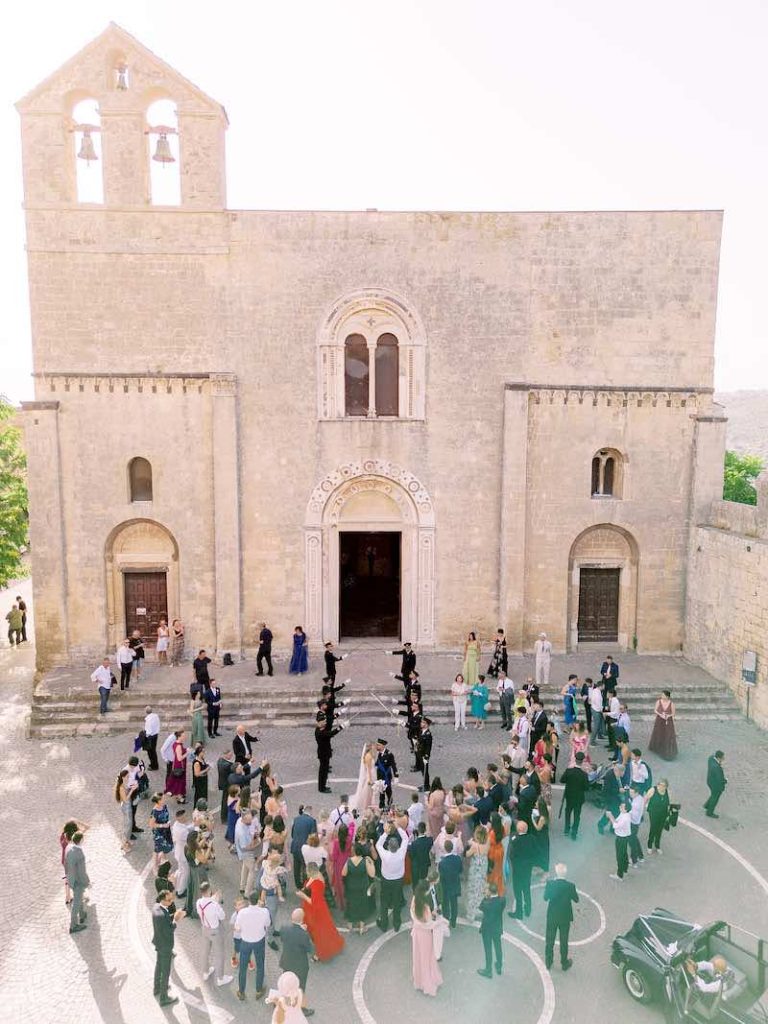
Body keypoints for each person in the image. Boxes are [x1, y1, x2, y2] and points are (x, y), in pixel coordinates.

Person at [297, 862, 344, 960]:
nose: (306, 872)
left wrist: (303, 895)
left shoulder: (317, 883)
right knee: (319, 929)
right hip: (312, 908)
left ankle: (320, 953)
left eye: (307, 871)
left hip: (316, 910)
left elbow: (313, 902)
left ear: (311, 871)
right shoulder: (316, 875)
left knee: (319, 931)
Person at [234, 891, 272, 1001]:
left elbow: (238, 927)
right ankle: (259, 989)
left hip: (245, 942)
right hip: (259, 941)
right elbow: (268, 924)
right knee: (260, 965)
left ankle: (241, 991)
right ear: (259, 899)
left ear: (249, 901)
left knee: (243, 967)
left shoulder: (242, 913)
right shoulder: (264, 911)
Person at [410, 880, 443, 997]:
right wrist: (439, 922)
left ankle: (419, 981)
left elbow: (415, 918)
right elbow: (428, 923)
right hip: (425, 935)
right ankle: (428, 983)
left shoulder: (414, 900)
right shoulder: (425, 907)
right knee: (427, 958)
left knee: (418, 957)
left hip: (417, 933)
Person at [197, 882, 233, 987]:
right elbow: (222, 916)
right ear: (209, 891)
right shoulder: (214, 905)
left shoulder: (198, 902)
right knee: (219, 954)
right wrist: (216, 902)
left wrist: (213, 899)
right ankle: (220, 978)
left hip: (204, 929)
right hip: (215, 931)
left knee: (205, 951)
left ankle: (205, 972)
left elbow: (207, 903)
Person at [543, 863, 578, 971]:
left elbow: (545, 898)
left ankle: (548, 961)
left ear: (557, 873)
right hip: (564, 917)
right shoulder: (570, 886)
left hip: (552, 916)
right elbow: (576, 899)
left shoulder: (550, 884)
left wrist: (550, 884)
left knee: (550, 940)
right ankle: (564, 962)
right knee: (564, 941)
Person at [279, 910, 315, 1016]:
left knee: (286, 983)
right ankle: (302, 1008)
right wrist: (304, 932)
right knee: (300, 987)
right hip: (300, 966)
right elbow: (310, 949)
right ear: (302, 919)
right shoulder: (303, 934)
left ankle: (282, 1002)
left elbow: (283, 939)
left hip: (286, 961)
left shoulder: (284, 928)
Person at [152, 889, 184, 1006]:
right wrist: (176, 919)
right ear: (163, 900)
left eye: (171, 899)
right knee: (166, 971)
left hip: (159, 942)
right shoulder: (161, 915)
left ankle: (157, 987)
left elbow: (165, 919)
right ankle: (164, 998)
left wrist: (173, 915)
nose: (171, 901)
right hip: (165, 945)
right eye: (169, 900)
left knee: (158, 965)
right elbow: (169, 930)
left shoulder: (156, 907)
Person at [376, 824, 409, 932]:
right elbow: (405, 838)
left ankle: (384, 924)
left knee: (384, 901)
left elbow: (378, 845)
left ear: (389, 846)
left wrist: (386, 832)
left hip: (386, 879)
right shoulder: (401, 853)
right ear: (398, 846)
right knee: (396, 901)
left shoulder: (385, 854)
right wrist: (398, 827)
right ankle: (397, 923)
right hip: (398, 879)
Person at [343, 841, 376, 934]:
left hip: (351, 886)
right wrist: (372, 863)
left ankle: (350, 925)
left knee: (351, 904)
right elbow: (372, 874)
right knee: (362, 905)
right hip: (362, 887)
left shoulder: (348, 861)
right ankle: (362, 927)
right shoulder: (365, 861)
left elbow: (343, 873)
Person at [477, 881, 506, 978]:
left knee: (488, 949)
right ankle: (499, 966)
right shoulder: (502, 900)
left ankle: (488, 970)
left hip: (487, 929)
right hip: (497, 927)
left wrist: (485, 896)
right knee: (498, 946)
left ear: (489, 892)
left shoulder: (486, 903)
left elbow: (480, 907)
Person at [507, 821, 535, 919]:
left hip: (518, 869)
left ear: (518, 830)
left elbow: (511, 855)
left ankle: (519, 912)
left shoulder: (515, 840)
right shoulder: (532, 838)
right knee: (526, 888)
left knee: (518, 890)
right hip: (527, 868)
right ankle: (528, 909)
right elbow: (535, 852)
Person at [64, 831, 90, 934]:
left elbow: (66, 864)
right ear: (81, 840)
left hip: (71, 879)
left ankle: (82, 914)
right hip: (78, 881)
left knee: (78, 898)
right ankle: (73, 926)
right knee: (76, 903)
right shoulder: (79, 854)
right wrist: (86, 882)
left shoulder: (68, 848)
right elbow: (82, 871)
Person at [561, 751, 589, 839]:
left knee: (568, 812)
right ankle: (574, 833)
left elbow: (562, 780)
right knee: (577, 815)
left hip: (569, 796)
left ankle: (566, 829)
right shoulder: (584, 774)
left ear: (575, 760)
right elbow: (586, 788)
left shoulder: (569, 771)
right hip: (579, 797)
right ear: (582, 761)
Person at [465, 825, 490, 922]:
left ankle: (471, 915)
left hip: (475, 871)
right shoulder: (487, 845)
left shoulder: (475, 847)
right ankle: (478, 908)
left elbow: (467, 854)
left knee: (472, 891)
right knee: (480, 890)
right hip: (483, 870)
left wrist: (471, 843)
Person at [315, 713, 344, 793]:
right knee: (323, 772)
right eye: (322, 722)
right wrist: (341, 727)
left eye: (324, 721)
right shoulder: (320, 732)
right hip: (323, 754)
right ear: (318, 722)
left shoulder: (321, 729)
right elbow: (330, 733)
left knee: (324, 770)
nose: (324, 723)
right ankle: (322, 788)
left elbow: (329, 732)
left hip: (324, 752)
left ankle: (323, 786)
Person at [290, 805, 317, 889]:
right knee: (305, 866)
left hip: (295, 845)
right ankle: (305, 884)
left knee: (296, 866)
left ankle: (298, 884)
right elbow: (313, 836)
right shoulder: (312, 821)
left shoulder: (296, 819)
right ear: (310, 812)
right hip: (305, 848)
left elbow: (292, 833)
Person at [437, 839, 462, 927]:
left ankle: (446, 920)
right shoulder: (458, 859)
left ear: (445, 849)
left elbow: (441, 876)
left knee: (445, 904)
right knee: (454, 904)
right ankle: (454, 921)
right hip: (455, 884)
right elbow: (460, 870)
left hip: (446, 886)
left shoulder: (442, 863)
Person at [648, 689, 678, 760]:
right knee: (658, 733)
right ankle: (657, 747)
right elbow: (655, 710)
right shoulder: (658, 701)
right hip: (660, 720)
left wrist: (668, 715)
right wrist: (660, 714)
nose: (662, 696)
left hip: (668, 720)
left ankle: (667, 750)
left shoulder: (671, 704)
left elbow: (673, 713)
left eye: (663, 695)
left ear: (667, 696)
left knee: (668, 734)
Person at [607, 801, 632, 880]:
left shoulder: (625, 818)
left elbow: (615, 825)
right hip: (624, 837)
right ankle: (625, 869)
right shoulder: (624, 814)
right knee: (624, 854)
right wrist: (612, 818)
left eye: (622, 807)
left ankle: (619, 874)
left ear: (625, 809)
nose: (620, 807)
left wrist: (610, 816)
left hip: (621, 838)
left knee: (620, 856)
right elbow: (616, 820)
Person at [646, 779, 671, 854]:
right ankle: (649, 845)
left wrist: (668, 815)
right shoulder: (653, 790)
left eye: (664, 786)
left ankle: (657, 845)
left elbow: (669, 804)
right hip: (653, 812)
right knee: (653, 828)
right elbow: (646, 798)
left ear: (666, 787)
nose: (661, 787)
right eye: (660, 785)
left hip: (663, 813)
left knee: (659, 829)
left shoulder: (668, 792)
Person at [374, 738, 398, 808]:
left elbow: (393, 765)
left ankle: (390, 804)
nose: (377, 747)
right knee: (381, 791)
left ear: (383, 746)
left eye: (378, 745)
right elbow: (378, 762)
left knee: (388, 791)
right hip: (380, 777)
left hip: (386, 777)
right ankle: (381, 805)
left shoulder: (389, 754)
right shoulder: (379, 753)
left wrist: (396, 776)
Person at [167, 731, 189, 804]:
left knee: (177, 780)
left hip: (177, 764)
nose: (185, 737)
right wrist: (187, 752)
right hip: (180, 765)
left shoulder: (175, 743)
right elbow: (180, 758)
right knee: (180, 781)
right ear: (179, 737)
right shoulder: (179, 746)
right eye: (183, 736)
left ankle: (178, 795)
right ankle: (180, 798)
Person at [704, 750, 727, 818]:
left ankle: (707, 805)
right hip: (715, 785)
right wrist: (725, 781)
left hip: (710, 781)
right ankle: (709, 812)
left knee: (713, 794)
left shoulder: (711, 758)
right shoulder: (717, 767)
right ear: (719, 758)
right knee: (715, 797)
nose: (723, 759)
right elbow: (720, 779)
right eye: (722, 758)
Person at [416, 718, 433, 792]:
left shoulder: (428, 735)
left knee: (425, 771)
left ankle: (427, 786)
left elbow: (428, 747)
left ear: (426, 724)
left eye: (423, 723)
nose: (421, 723)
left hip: (424, 756)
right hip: (420, 754)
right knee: (423, 771)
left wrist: (426, 756)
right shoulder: (422, 731)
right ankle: (425, 784)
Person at [143, 705, 160, 770]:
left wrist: (146, 736)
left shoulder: (148, 719)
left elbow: (149, 730)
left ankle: (154, 766)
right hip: (155, 735)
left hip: (150, 737)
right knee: (153, 750)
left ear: (146, 712)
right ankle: (154, 763)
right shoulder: (156, 716)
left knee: (150, 752)